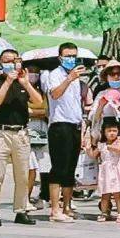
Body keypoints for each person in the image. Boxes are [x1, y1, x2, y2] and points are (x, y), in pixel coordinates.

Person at [0, 49, 42, 226]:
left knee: (23, 176)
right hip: (0, 134)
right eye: (7, 61)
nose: (11, 64)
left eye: (14, 61)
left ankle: (21, 210)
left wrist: (26, 84)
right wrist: (8, 81)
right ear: (0, 63)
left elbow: (38, 101)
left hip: (21, 133)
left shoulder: (23, 82)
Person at [43, 43, 87, 222]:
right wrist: (69, 78)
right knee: (59, 167)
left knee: (70, 168)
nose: (71, 59)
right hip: (60, 125)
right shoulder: (55, 74)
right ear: (60, 57)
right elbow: (55, 94)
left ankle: (67, 206)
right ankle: (55, 209)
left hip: (75, 125)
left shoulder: (77, 77)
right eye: (67, 56)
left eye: (74, 56)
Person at [89, 119, 120, 223]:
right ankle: (104, 212)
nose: (112, 133)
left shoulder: (119, 141)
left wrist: (107, 147)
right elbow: (93, 155)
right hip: (106, 172)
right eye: (109, 131)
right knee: (105, 194)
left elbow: (118, 149)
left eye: (114, 131)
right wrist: (88, 148)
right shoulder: (101, 144)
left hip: (117, 170)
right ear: (104, 132)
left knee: (118, 193)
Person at [25, 65, 51, 211]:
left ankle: (44, 195)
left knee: (45, 164)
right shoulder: (20, 89)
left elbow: (46, 110)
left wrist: (31, 111)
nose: (33, 74)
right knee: (29, 166)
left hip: (42, 130)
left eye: (36, 72)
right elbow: (22, 110)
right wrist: (36, 111)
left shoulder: (42, 91)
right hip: (26, 130)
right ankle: (25, 197)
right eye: (30, 71)